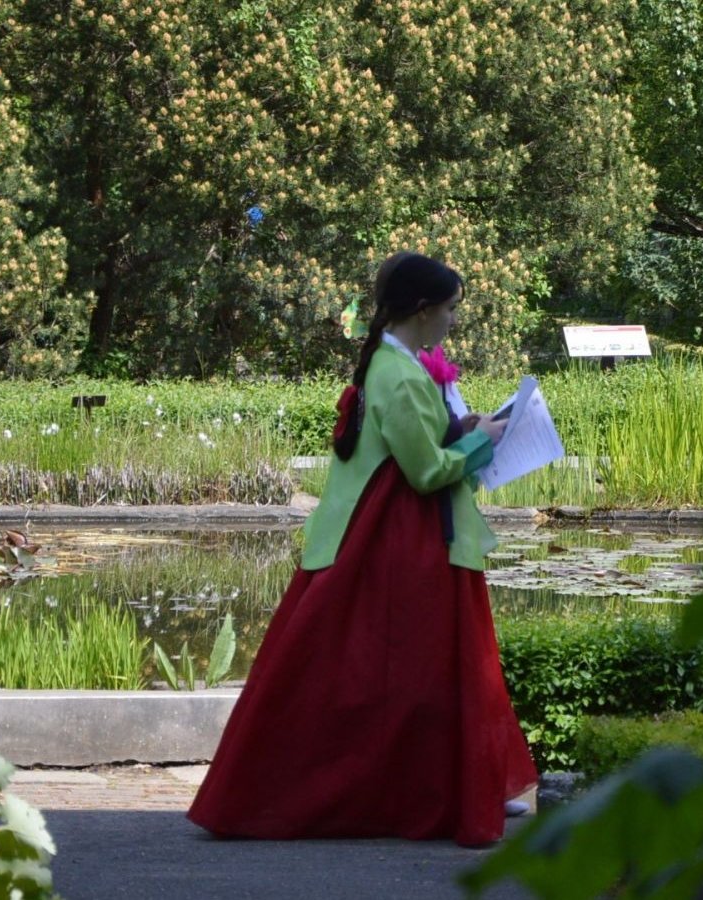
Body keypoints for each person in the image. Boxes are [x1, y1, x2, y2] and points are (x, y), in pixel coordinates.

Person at [187, 251, 539, 848]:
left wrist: (464, 429)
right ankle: (411, 797)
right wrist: (480, 442)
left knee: (360, 674)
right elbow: (426, 471)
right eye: (450, 310)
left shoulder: (390, 362)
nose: (454, 321)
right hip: (399, 545)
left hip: (383, 537)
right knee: (415, 674)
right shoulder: (399, 374)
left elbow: (418, 445)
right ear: (423, 311)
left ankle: (412, 791)